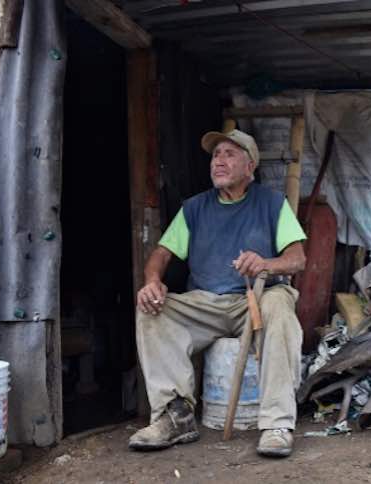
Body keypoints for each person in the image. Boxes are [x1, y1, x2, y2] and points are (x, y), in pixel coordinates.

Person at [128, 129, 307, 458]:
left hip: (254, 299)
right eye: (215, 156)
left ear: (250, 167)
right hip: (206, 303)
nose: (219, 161)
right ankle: (175, 417)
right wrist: (152, 280)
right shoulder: (194, 208)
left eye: (229, 154)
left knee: (281, 304)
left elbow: (297, 259)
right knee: (151, 308)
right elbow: (162, 254)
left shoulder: (271, 203)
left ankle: (277, 423)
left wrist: (264, 263)